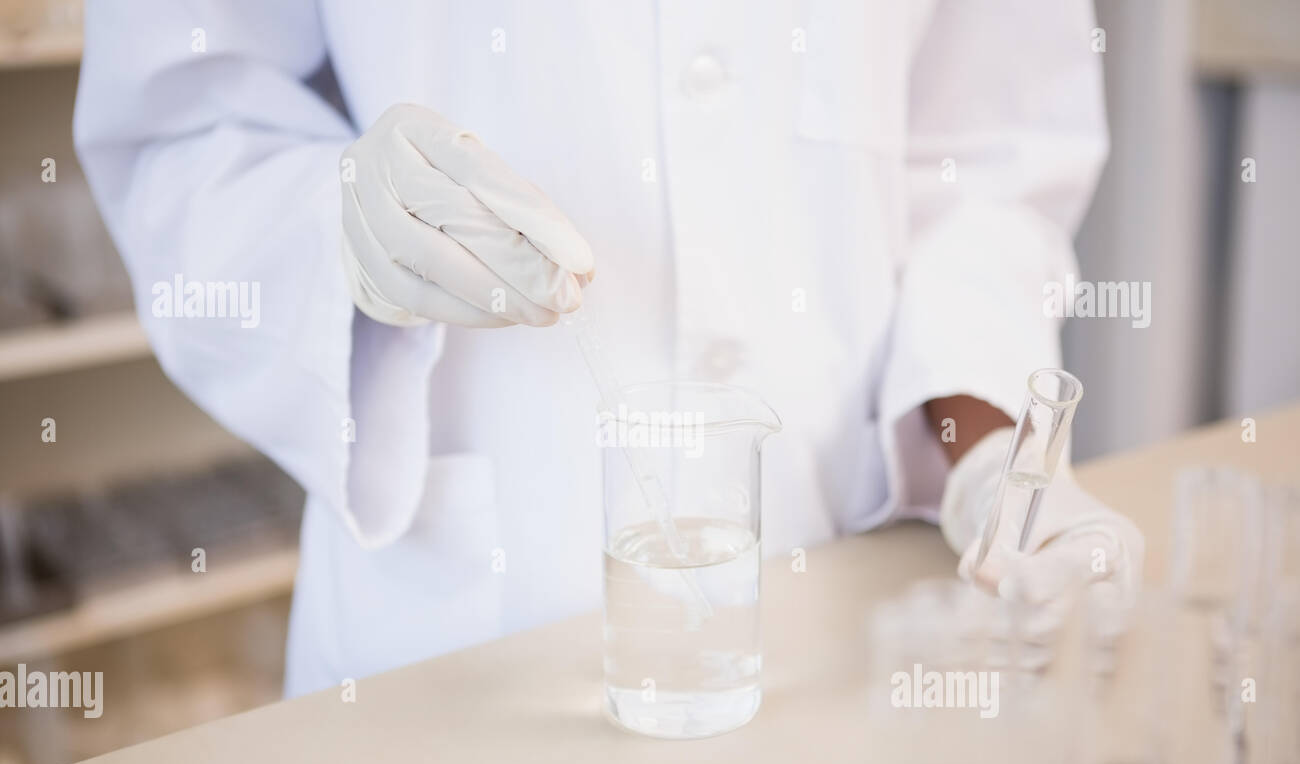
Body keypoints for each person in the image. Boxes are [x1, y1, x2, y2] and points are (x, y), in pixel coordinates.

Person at [74, 0, 1142, 696]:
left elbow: (987, 154)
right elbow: (181, 127)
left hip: (851, 602)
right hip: (460, 655)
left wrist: (990, 458)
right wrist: (332, 222)